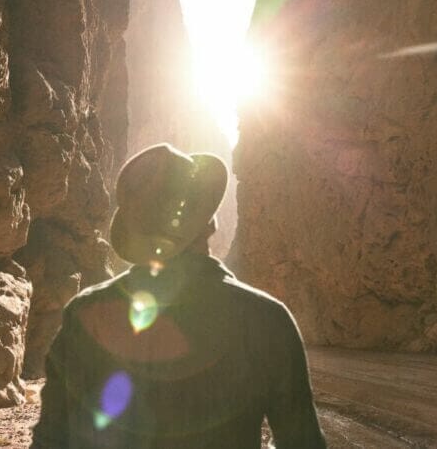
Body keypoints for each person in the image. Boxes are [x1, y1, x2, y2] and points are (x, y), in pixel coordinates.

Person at [32, 143, 326, 448]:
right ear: (210, 223)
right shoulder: (267, 319)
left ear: (136, 235)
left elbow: (50, 440)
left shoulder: (86, 313)